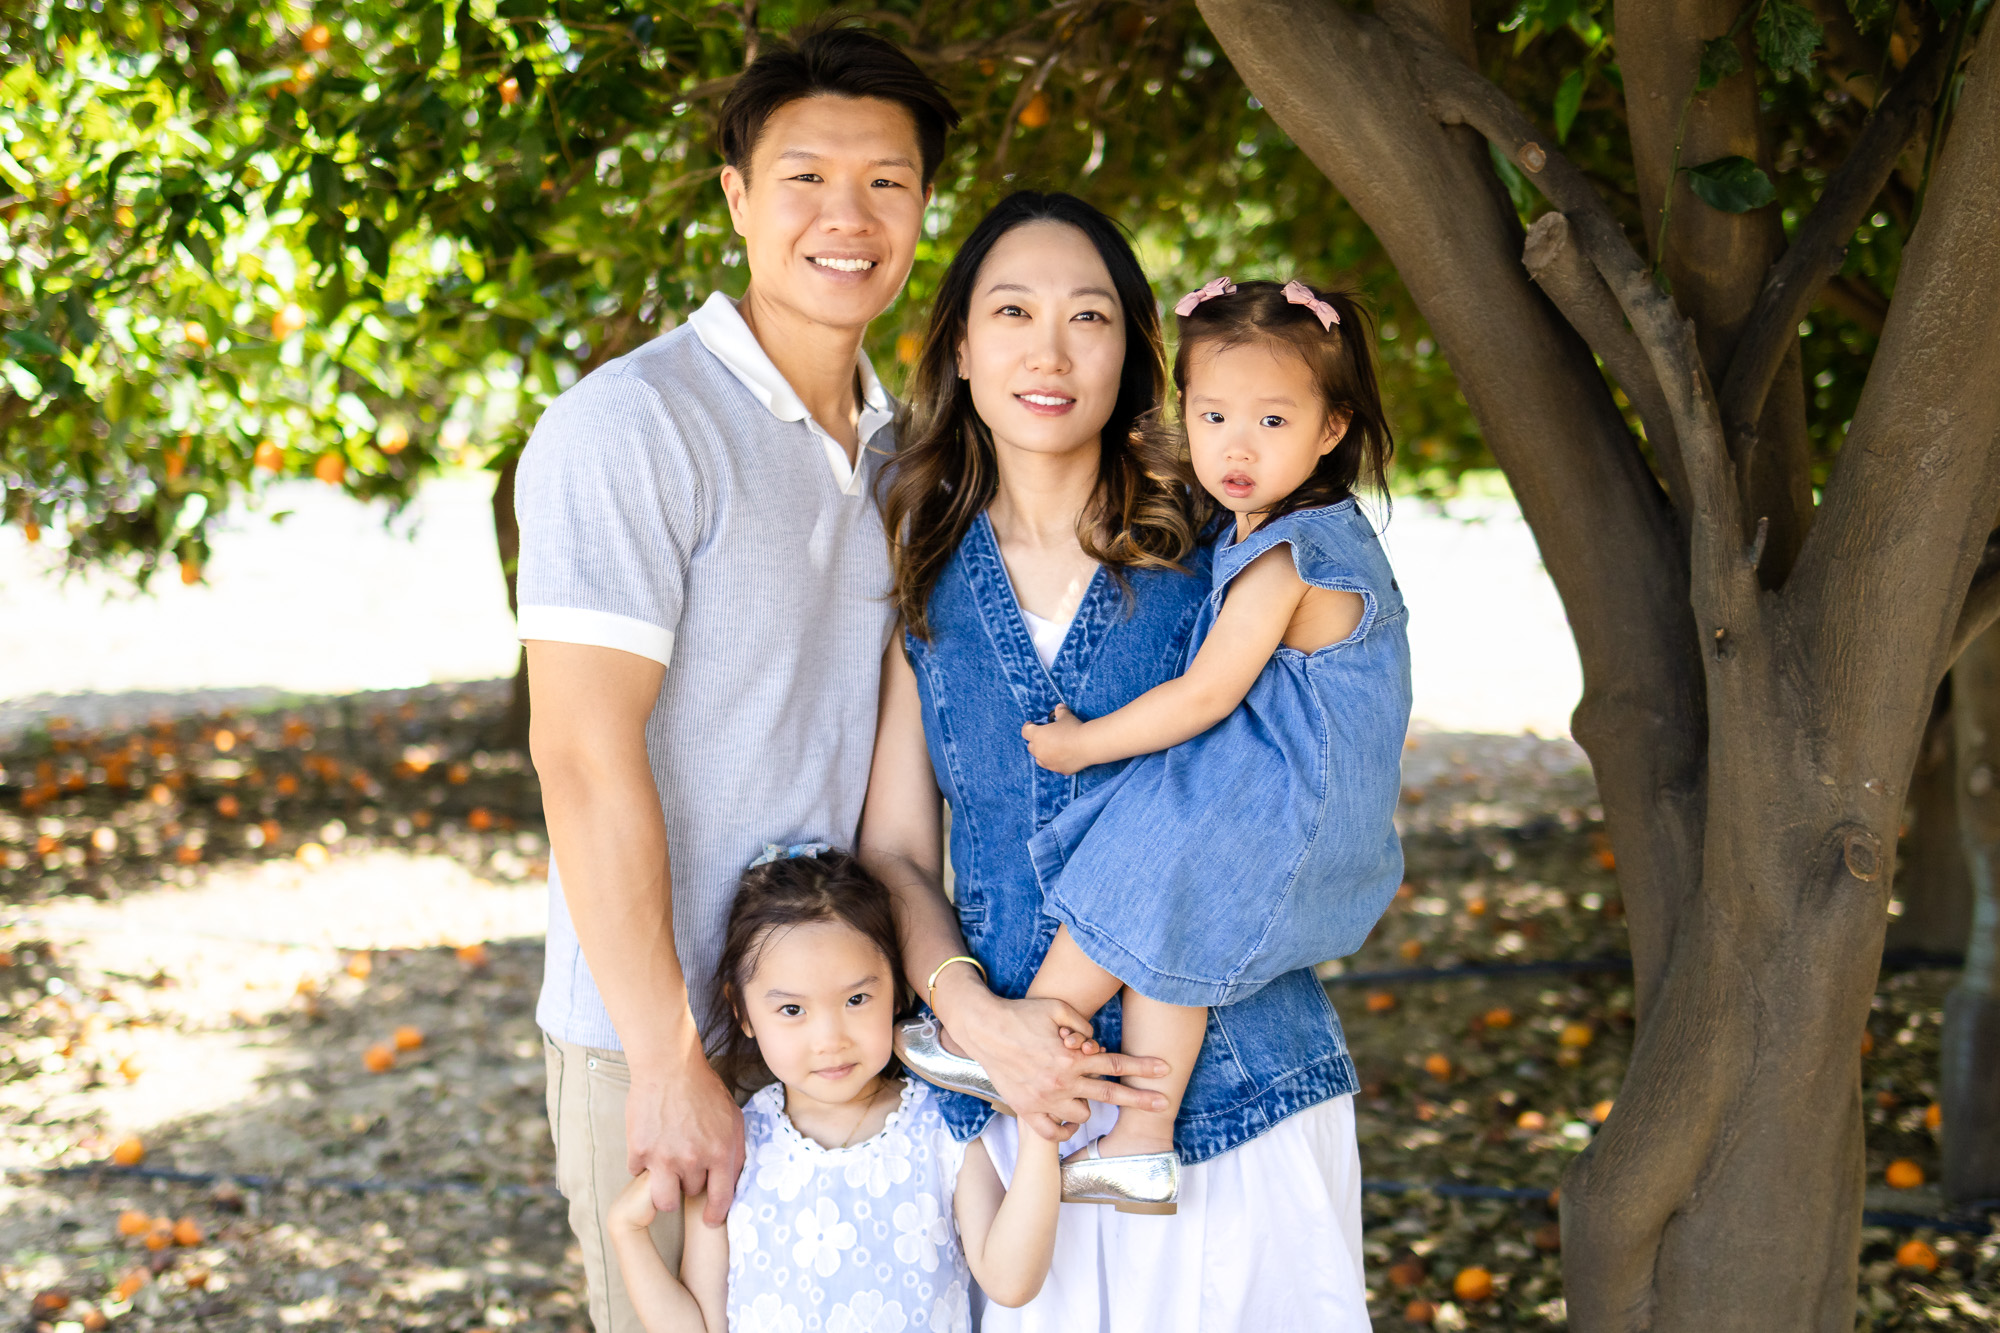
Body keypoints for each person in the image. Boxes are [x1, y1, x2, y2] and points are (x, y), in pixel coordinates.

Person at [511, 25, 981, 1333]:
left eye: (887, 181)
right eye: (805, 177)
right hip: (658, 1030)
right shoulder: (631, 425)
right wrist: (666, 1056)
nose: (849, 215)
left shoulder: (906, 453)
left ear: (924, 205)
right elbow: (581, 755)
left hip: (837, 1024)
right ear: (735, 196)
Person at [858, 192, 1379, 1330]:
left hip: (1235, 1100)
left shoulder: (1226, 549)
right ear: (960, 342)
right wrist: (976, 1019)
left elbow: (1318, 789)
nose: (1048, 351)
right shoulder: (921, 577)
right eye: (1012, 311)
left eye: (1087, 317)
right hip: (1012, 1119)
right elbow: (895, 850)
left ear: (1134, 355)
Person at [1016, 276, 1412, 1185]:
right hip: (1278, 792)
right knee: (1168, 935)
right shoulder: (1276, 523)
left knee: (1145, 852)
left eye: (1272, 423)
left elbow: (1204, 695)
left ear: (1332, 429)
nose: (1236, 447)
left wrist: (1081, 743)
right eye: (1212, 416)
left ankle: (1033, 1027)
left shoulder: (1290, 551)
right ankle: (1141, 1147)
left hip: (1289, 809)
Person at [607, 847, 1065, 1333]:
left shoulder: (942, 1124)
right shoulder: (735, 1146)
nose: (830, 1040)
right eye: (791, 1010)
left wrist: (1041, 1129)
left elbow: (1010, 1281)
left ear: (896, 988)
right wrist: (627, 1234)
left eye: (856, 999)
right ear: (741, 1011)